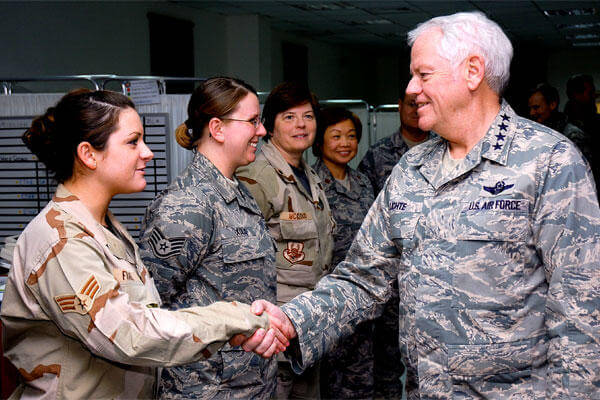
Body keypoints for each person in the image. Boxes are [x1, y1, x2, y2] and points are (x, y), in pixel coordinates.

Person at [243, 11, 600, 399]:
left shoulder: (548, 161)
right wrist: (293, 320)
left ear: (473, 71)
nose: (411, 89)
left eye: (423, 74)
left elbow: (581, 312)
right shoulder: (412, 168)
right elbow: (364, 277)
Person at [0, 89, 285, 399]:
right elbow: (132, 334)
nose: (148, 152)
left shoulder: (107, 229)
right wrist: (237, 318)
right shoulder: (61, 240)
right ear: (88, 154)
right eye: (132, 141)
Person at [138, 77, 278, 399]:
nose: (261, 131)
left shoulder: (238, 192)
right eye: (253, 121)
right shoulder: (186, 205)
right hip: (206, 387)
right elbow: (149, 307)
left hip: (252, 382)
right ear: (217, 128)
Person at [236, 81, 335, 399]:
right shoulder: (258, 177)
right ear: (270, 125)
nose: (301, 125)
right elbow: (241, 263)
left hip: (307, 326)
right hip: (273, 332)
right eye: (289, 117)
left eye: (308, 116)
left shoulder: (310, 175)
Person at [311, 107, 376, 399]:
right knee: (328, 382)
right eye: (335, 136)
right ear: (319, 141)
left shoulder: (363, 181)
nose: (345, 143)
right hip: (327, 299)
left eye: (351, 136)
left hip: (364, 298)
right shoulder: (312, 184)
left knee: (362, 379)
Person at [358, 90, 432, 196]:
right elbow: (364, 201)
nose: (417, 110)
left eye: (423, 105)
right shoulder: (377, 153)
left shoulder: (445, 149)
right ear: (400, 106)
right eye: (411, 104)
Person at [527, 82, 591, 163]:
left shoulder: (572, 135)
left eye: (536, 107)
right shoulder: (538, 132)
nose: (531, 113)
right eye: (530, 108)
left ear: (552, 105)